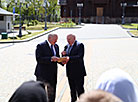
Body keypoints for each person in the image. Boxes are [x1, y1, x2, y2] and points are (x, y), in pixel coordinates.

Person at [34, 34, 60, 102]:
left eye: (57, 39)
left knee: (52, 92)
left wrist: (62, 61)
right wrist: (51, 59)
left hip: (53, 73)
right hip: (42, 73)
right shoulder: (41, 46)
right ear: (49, 38)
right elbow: (39, 59)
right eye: (55, 39)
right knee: (40, 92)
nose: (56, 41)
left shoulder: (56, 46)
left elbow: (57, 58)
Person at [61, 34, 87, 102]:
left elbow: (79, 57)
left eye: (69, 39)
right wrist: (63, 55)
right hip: (70, 72)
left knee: (80, 89)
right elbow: (65, 57)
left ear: (74, 38)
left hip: (78, 72)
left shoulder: (80, 45)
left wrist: (69, 58)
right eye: (67, 39)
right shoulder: (66, 46)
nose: (68, 41)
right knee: (72, 89)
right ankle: (73, 100)